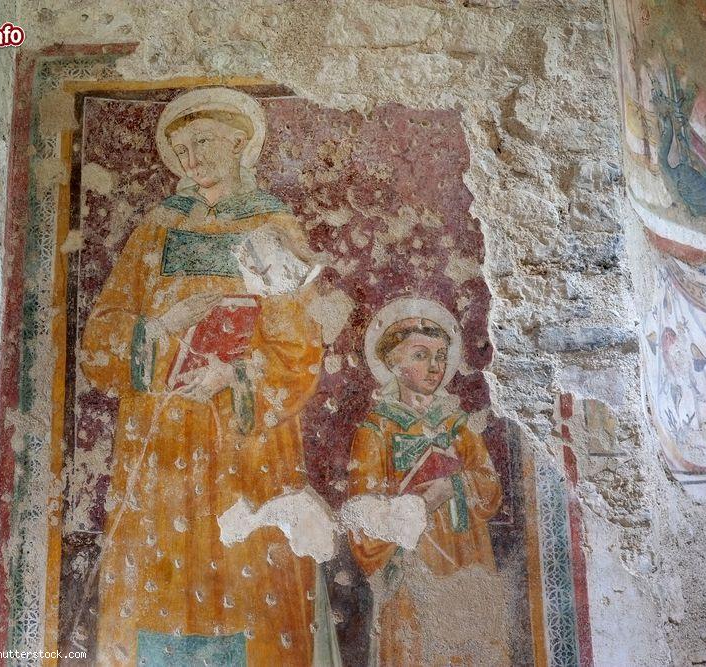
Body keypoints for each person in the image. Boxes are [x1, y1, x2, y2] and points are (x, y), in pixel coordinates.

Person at [79, 87, 322, 666]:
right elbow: (100, 339)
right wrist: (159, 328)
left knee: (247, 595)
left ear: (241, 143)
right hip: (160, 439)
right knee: (156, 591)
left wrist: (231, 378)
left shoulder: (273, 228)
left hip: (244, 446)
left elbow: (299, 349)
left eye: (203, 142)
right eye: (181, 148)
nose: (190, 159)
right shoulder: (157, 231)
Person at [348, 299, 510, 666]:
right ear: (393, 363)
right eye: (421, 355)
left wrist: (449, 488)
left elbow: (490, 488)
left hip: (467, 557)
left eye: (440, 356)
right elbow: (362, 520)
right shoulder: (376, 431)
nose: (434, 366)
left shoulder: (457, 424)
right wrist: (408, 511)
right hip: (411, 568)